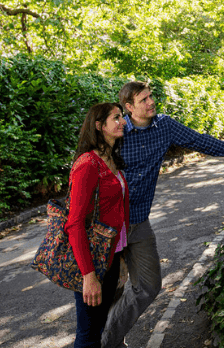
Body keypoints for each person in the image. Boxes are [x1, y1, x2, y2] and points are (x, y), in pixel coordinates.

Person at [100, 81, 224, 348]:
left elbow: (200, 141)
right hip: (106, 226)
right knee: (108, 290)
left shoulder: (164, 126)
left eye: (151, 97)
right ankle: (108, 342)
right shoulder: (116, 131)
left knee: (149, 286)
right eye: (143, 100)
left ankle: (108, 339)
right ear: (128, 107)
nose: (151, 102)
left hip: (138, 222)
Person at [67, 102, 130, 348]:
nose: (123, 122)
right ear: (99, 126)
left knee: (100, 325)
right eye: (116, 118)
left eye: (122, 117)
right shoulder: (88, 164)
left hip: (111, 256)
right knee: (88, 334)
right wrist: (88, 276)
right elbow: (74, 224)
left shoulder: (111, 158)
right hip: (94, 261)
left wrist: (121, 255)